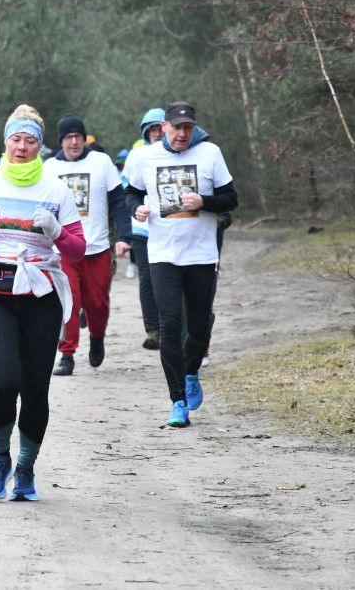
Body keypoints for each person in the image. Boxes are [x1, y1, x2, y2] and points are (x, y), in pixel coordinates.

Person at [0, 104, 84, 501]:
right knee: (4, 382)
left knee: (35, 389)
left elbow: (77, 250)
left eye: (30, 141)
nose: (22, 147)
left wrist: (56, 230)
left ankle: (25, 470)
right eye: (15, 139)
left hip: (40, 296)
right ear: (6, 142)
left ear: (40, 146)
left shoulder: (56, 189)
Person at [125, 102, 237, 427]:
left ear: (194, 128)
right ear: (164, 127)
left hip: (201, 255)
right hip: (162, 254)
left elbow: (231, 199)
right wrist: (137, 210)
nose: (183, 134)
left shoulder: (210, 154)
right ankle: (177, 402)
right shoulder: (145, 158)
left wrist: (205, 202)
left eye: (188, 128)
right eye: (177, 128)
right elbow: (130, 193)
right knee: (170, 327)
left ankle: (190, 374)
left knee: (198, 330)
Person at [44, 114, 132, 376]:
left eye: (78, 137)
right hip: (64, 249)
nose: (74, 142)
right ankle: (67, 354)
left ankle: (97, 337)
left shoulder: (101, 162)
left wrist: (125, 236)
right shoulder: (49, 168)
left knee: (97, 303)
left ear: (84, 138)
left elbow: (119, 202)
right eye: (69, 137)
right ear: (61, 141)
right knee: (68, 302)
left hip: (97, 248)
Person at [121, 108, 165, 349]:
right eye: (152, 130)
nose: (157, 133)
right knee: (147, 281)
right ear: (145, 133)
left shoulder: (179, 155)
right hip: (142, 229)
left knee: (166, 280)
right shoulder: (137, 156)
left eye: (160, 128)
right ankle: (154, 330)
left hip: (169, 227)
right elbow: (127, 190)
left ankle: (172, 327)